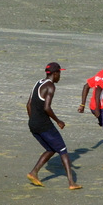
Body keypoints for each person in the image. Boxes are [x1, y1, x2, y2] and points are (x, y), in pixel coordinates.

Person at [26, 62, 82, 190]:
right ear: (55, 73)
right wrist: (58, 121)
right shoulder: (50, 86)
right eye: (59, 73)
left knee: (51, 149)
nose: (60, 77)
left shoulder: (38, 83)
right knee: (63, 150)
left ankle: (33, 173)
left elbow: (28, 104)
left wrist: (33, 120)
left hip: (33, 124)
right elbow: (47, 107)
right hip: (43, 125)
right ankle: (71, 183)